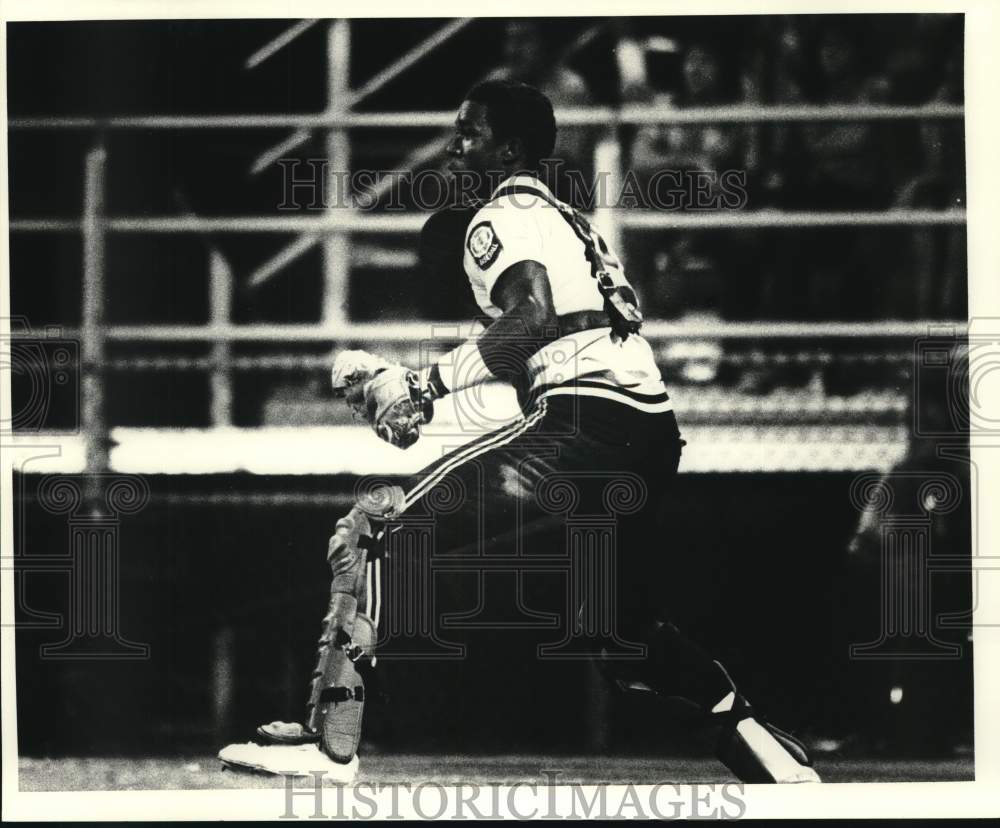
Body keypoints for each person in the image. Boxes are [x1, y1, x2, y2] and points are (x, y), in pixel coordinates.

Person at [219, 80, 820, 784]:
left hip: (586, 421)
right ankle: (765, 751)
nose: (454, 146)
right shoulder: (563, 217)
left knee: (371, 527)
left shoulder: (496, 217)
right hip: (649, 429)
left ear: (507, 148)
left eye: (468, 133)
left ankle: (329, 747)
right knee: (617, 633)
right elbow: (547, 338)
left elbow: (530, 321)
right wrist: (419, 398)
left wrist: (417, 388)